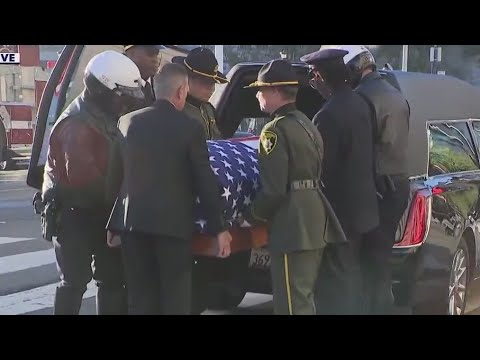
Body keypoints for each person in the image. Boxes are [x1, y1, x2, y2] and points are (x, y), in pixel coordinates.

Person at [106, 63, 232, 315]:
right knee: (175, 300)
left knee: (140, 299)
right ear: (182, 91)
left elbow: (115, 179)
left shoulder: (126, 122)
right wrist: (219, 228)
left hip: (132, 227)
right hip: (172, 229)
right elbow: (203, 180)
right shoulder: (190, 127)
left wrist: (113, 222)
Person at [237, 59, 347, 315]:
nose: (258, 95)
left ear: (276, 91)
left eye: (261, 89)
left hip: (292, 224)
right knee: (303, 297)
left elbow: (274, 189)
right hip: (314, 219)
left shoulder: (274, 131)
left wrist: (251, 217)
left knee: (290, 303)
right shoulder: (306, 123)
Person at [42, 50, 145, 315]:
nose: (125, 102)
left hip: (104, 211)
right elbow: (87, 182)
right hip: (76, 213)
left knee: (111, 279)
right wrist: (126, 204)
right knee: (74, 282)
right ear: (103, 89)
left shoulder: (104, 114)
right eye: (121, 95)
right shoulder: (76, 125)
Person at [300, 47, 380, 314]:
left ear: (322, 78)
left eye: (313, 76)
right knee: (351, 278)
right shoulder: (362, 104)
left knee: (335, 285)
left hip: (337, 216)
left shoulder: (327, 115)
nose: (312, 82)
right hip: (362, 211)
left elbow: (320, 169)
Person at [338, 45, 411, 314]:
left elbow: (359, 151)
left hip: (376, 188)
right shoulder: (395, 94)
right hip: (396, 186)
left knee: (363, 266)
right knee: (379, 264)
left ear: (352, 68)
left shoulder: (361, 98)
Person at [172, 47, 228, 140]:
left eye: (213, 83)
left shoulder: (208, 109)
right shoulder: (176, 110)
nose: (212, 89)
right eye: (206, 82)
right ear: (187, 79)